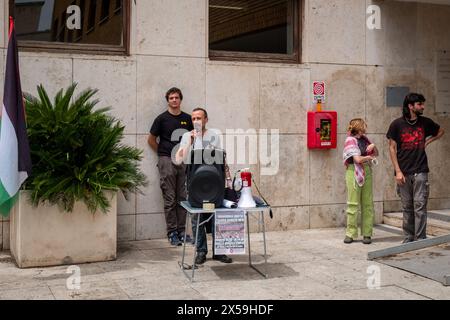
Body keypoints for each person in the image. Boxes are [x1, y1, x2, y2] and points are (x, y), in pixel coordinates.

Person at [176, 107, 233, 264]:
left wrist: (228, 179)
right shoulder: (187, 136)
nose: (196, 121)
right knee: (197, 217)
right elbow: (179, 158)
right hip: (195, 184)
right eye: (193, 118)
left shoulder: (213, 135)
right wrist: (190, 143)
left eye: (199, 118)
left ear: (206, 120)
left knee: (217, 216)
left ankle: (219, 252)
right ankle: (201, 251)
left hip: (213, 183)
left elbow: (220, 159)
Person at [386, 93, 444, 243]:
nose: (423, 107)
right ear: (410, 106)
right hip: (403, 172)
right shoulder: (397, 124)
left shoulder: (425, 122)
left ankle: (420, 239)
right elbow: (392, 148)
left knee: (419, 205)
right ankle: (408, 238)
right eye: (419, 104)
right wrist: (398, 171)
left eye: (422, 104)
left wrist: (428, 141)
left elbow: (440, 131)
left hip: (421, 170)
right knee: (407, 207)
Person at [148, 87, 193, 246]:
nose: (174, 100)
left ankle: (182, 232)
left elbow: (193, 138)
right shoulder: (161, 119)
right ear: (168, 100)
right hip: (166, 160)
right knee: (170, 198)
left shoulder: (188, 119)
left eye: (176, 98)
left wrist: (184, 152)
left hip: (182, 161)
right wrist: (163, 154)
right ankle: (172, 233)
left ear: (181, 99)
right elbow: (151, 140)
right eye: (171, 98)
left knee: (182, 197)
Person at [343, 118, 378, 244]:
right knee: (353, 204)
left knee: (368, 204)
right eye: (363, 126)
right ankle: (350, 233)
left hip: (367, 170)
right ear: (359, 127)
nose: (365, 128)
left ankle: (367, 234)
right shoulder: (350, 140)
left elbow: (376, 154)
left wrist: (374, 147)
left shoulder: (365, 140)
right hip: (353, 171)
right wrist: (369, 157)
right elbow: (357, 159)